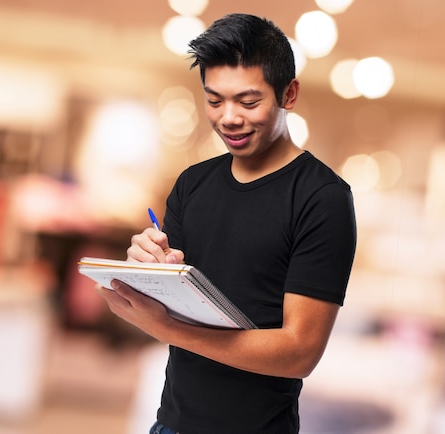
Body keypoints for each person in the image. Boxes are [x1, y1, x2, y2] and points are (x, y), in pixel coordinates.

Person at [96, 13, 357, 433]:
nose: (228, 118)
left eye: (248, 102)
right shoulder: (191, 185)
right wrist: (147, 270)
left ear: (288, 94)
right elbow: (172, 304)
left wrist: (169, 329)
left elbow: (299, 353)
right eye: (214, 100)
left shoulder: (323, 199)